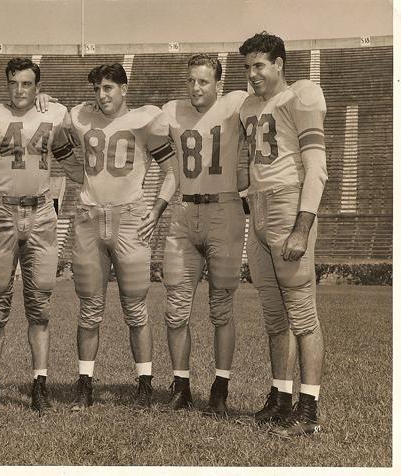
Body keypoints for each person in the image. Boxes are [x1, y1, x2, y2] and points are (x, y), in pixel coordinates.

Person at [0, 57, 83, 418]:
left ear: (37, 86)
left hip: (43, 213)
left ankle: (39, 385)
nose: (19, 90)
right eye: (13, 83)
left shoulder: (53, 115)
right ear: (6, 84)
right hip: (0, 212)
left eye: (27, 84)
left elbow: (74, 165)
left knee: (40, 306)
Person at [66, 63, 178, 410]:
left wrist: (156, 210)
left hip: (130, 218)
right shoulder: (81, 116)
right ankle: (85, 383)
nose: (102, 95)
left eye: (109, 88)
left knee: (136, 309)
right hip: (89, 217)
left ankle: (144, 384)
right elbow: (59, 138)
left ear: (124, 89)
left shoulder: (145, 120)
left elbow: (172, 170)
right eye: (97, 89)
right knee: (89, 310)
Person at [238, 32, 327, 437]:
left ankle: (309, 410)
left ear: (279, 64)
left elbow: (317, 168)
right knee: (275, 316)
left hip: (287, 204)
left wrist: (301, 226)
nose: (252, 73)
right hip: (257, 208)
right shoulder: (247, 105)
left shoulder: (301, 96)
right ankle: (281, 397)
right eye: (247, 66)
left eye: (259, 65)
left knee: (302, 315)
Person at [161, 54, 248, 414]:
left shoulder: (237, 102)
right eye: (191, 81)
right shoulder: (172, 110)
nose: (196, 88)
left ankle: (220, 388)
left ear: (218, 84)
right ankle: (180, 385)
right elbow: (128, 117)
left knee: (221, 309)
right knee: (175, 309)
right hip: (184, 211)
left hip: (225, 209)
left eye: (204, 82)